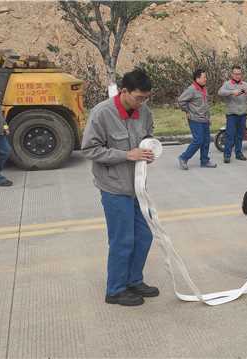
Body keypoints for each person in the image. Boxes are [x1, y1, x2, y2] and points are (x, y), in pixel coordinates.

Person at [80, 69, 159, 306]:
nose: (142, 103)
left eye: (146, 98)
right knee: (122, 240)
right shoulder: (102, 113)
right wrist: (127, 154)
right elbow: (89, 149)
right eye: (138, 97)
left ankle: (134, 280)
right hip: (114, 187)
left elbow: (148, 136)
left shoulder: (143, 112)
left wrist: (149, 150)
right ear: (124, 91)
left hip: (137, 187)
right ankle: (115, 289)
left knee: (144, 236)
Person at [178, 69, 216, 170]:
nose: (206, 79)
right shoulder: (191, 89)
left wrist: (208, 118)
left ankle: (204, 161)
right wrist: (188, 111)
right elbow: (181, 101)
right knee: (198, 140)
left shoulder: (204, 89)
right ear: (197, 78)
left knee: (206, 140)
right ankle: (183, 158)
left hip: (205, 119)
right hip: (195, 119)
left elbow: (205, 105)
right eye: (204, 77)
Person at [218, 65, 247, 163]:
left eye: (239, 74)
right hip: (232, 114)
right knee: (230, 135)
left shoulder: (245, 84)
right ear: (232, 74)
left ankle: (238, 153)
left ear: (241, 74)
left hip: (243, 114)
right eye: (235, 74)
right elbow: (220, 92)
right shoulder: (227, 84)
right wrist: (232, 92)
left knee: (240, 135)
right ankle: (227, 155)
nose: (237, 76)